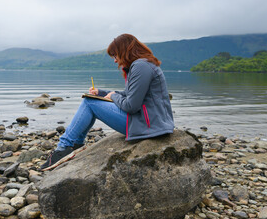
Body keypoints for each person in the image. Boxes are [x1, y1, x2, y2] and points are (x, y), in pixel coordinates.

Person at [40, 33, 174, 171]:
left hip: (148, 125)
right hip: (150, 122)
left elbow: (131, 106)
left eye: (115, 55)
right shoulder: (144, 65)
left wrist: (112, 97)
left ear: (124, 51)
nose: (115, 61)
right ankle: (74, 145)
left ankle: (65, 147)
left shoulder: (141, 66)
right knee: (91, 100)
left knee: (89, 103)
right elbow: (129, 94)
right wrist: (102, 93)